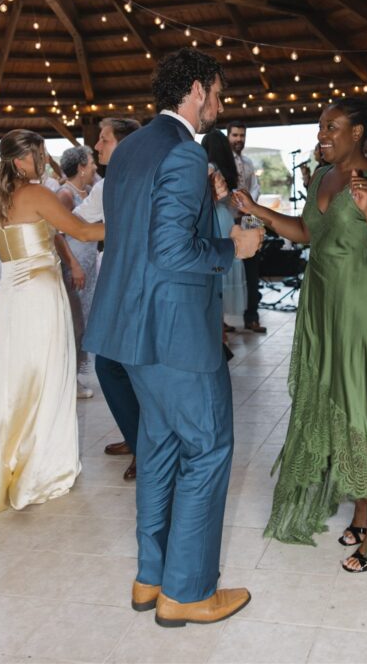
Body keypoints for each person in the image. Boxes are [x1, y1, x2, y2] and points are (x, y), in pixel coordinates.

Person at [83, 49, 262, 627]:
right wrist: (231, 247)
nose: (220, 103)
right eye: (217, 91)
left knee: (159, 449)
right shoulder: (185, 153)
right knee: (208, 448)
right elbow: (171, 252)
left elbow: (140, 236)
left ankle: (150, 578)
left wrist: (205, 207)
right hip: (174, 332)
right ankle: (187, 592)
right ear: (196, 90)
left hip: (128, 329)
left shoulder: (131, 147)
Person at [233, 98, 367, 580]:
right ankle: (362, 512)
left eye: (332, 127)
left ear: (358, 132)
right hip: (325, 305)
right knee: (339, 409)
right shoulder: (321, 178)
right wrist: (255, 209)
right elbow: (306, 233)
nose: (322, 135)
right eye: (320, 128)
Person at [0, 129, 104, 514]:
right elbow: (86, 231)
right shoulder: (38, 194)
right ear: (21, 160)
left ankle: (14, 464)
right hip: (42, 293)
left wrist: (0, 230)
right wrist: (135, 226)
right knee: (49, 376)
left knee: (15, 377)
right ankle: (44, 469)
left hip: (11, 295)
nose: (44, 162)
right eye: (40, 155)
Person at [74, 117, 141, 481]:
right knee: (113, 366)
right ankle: (136, 438)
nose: (97, 147)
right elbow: (77, 221)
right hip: (115, 285)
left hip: (134, 287)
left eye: (104, 140)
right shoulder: (108, 185)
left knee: (119, 367)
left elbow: (81, 226)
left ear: (125, 145)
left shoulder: (132, 181)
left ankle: (145, 447)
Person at [57, 145, 100, 397]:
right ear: (81, 167)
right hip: (74, 266)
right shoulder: (65, 194)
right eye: (91, 161)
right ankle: (69, 381)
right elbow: (57, 235)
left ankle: (74, 377)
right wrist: (72, 265)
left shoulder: (91, 191)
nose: (94, 165)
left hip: (88, 265)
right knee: (74, 324)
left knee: (83, 323)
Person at [201, 129, 248, 324]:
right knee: (226, 262)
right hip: (227, 218)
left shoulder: (208, 168)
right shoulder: (229, 171)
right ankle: (223, 324)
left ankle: (217, 324)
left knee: (214, 267)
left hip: (214, 219)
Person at [227, 120, 266, 333]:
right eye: (235, 135)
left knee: (253, 269)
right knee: (226, 269)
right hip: (231, 221)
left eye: (242, 135)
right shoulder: (223, 163)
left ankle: (252, 316)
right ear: (228, 136)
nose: (239, 139)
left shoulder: (249, 163)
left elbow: (256, 188)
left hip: (249, 220)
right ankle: (223, 320)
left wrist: (249, 207)